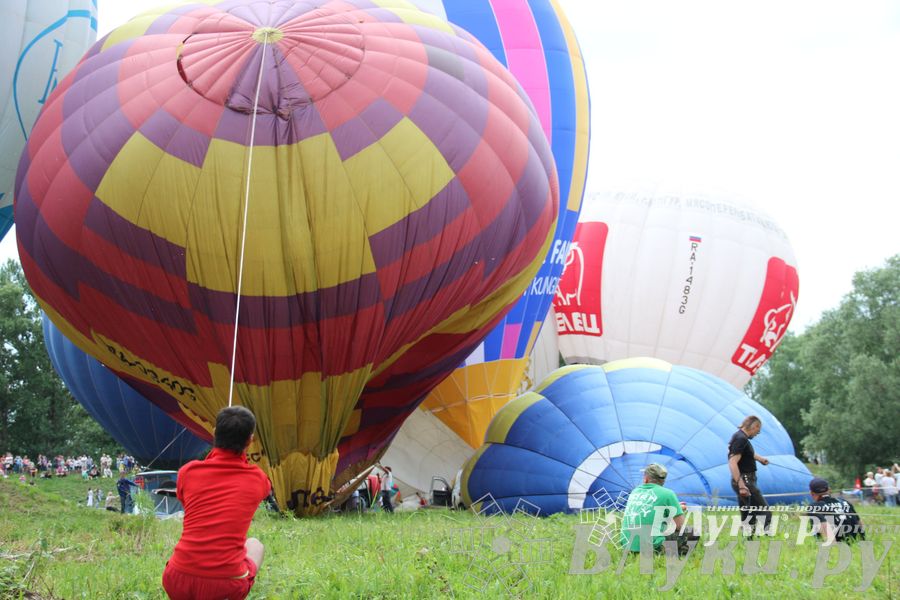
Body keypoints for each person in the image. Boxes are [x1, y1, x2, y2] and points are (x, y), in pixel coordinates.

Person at [162, 406, 272, 600]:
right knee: (255, 544)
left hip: (177, 579)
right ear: (250, 440)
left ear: (214, 434)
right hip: (225, 586)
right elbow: (263, 490)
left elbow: (188, 501)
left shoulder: (187, 472)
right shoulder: (258, 479)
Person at [620, 463, 696, 556]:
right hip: (651, 548)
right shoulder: (668, 494)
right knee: (692, 532)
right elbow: (680, 527)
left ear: (646, 478)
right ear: (663, 481)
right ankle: (670, 554)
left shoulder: (634, 491)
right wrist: (677, 510)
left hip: (628, 546)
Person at [728, 415, 771, 534]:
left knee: (748, 513)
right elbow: (732, 462)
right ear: (754, 426)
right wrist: (741, 485)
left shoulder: (740, 437)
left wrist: (760, 459)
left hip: (744, 480)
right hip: (745, 481)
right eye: (758, 430)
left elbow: (745, 453)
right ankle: (767, 539)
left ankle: (748, 540)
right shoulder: (741, 439)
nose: (758, 433)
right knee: (765, 512)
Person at [807, 478, 865, 542]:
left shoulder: (814, 507)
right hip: (855, 542)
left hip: (837, 544)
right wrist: (863, 540)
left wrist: (833, 548)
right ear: (829, 490)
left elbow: (825, 528)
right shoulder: (844, 502)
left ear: (811, 493)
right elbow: (860, 523)